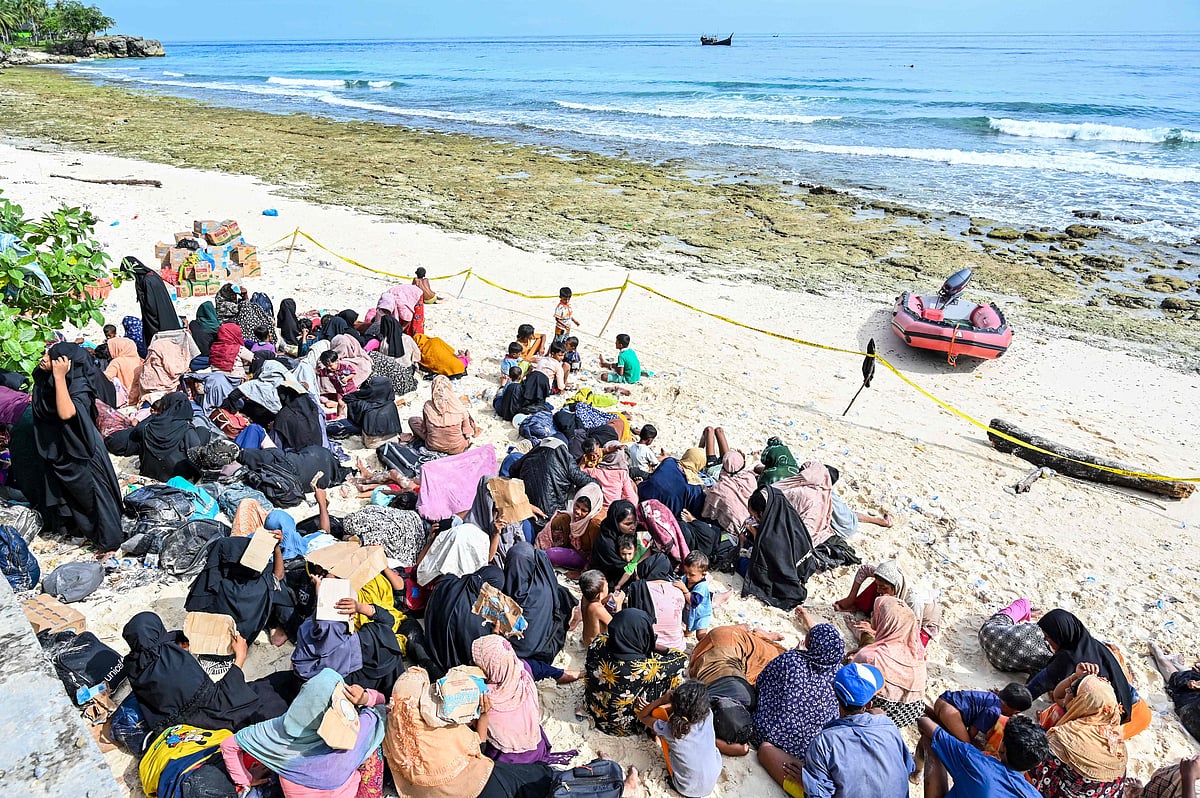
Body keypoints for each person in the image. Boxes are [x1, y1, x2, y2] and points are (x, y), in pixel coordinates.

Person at [382, 667, 555, 798]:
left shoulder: (390, 737)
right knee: (539, 775)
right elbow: (479, 748)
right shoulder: (442, 731)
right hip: (480, 786)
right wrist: (484, 715)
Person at [221, 668, 387, 798]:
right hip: (347, 792)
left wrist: (246, 779)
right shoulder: (351, 738)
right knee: (373, 747)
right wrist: (366, 698)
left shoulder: (276, 729)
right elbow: (382, 708)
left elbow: (228, 745)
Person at [758, 663, 913, 798]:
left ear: (833, 689)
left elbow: (820, 795)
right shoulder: (887, 725)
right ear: (869, 705)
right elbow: (908, 767)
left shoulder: (825, 741)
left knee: (766, 750)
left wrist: (806, 781)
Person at [123, 612, 288, 738]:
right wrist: (240, 657)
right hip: (212, 718)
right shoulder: (175, 662)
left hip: (174, 727)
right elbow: (218, 699)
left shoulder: (134, 666)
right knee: (273, 691)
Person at [26, 343, 124, 552]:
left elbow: (67, 413)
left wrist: (60, 377)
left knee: (93, 496)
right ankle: (78, 529)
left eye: (50, 356)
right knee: (71, 495)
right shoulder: (48, 379)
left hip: (81, 448)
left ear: (65, 364)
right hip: (60, 448)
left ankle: (109, 542)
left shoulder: (78, 384)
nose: (43, 358)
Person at [752, 612, 844, 760]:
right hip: (805, 752)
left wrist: (796, 653)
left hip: (766, 735)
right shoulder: (840, 677)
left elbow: (761, 682)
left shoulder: (791, 660)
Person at [585, 608, 688, 737]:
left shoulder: (598, 643)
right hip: (622, 727)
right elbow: (682, 659)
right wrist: (652, 644)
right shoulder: (639, 668)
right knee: (674, 676)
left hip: (595, 711)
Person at [1027, 609, 1137, 726]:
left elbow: (1036, 687)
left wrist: (1015, 701)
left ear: (1061, 636)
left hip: (1110, 718)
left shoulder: (1067, 660)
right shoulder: (1092, 644)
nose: (1046, 640)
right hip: (1130, 703)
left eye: (1048, 637)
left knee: (1058, 710)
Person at [1028, 675, 1129, 797]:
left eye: (1070, 690)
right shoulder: (1116, 741)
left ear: (1080, 701)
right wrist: (1074, 677)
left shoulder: (1064, 738)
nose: (1066, 691)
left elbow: (1038, 776)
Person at [292, 595, 404, 695]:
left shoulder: (307, 628)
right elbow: (389, 620)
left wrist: (321, 596)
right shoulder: (354, 675)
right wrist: (359, 607)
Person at [919, 713, 1048, 798]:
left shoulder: (976, 762)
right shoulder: (1035, 795)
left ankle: (916, 772)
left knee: (931, 741)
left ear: (1002, 747)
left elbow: (925, 723)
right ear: (1036, 764)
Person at [185, 535, 283, 645]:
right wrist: (277, 548)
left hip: (209, 644)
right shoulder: (261, 585)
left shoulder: (210, 584)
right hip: (239, 646)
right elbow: (278, 576)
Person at [637, 680, 728, 797]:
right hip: (712, 778)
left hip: (685, 788)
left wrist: (661, 700)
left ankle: (656, 736)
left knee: (658, 714)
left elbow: (642, 716)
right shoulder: (708, 714)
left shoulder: (671, 730)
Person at [851, 595, 928, 727]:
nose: (873, 616)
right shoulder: (918, 654)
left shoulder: (871, 656)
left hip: (879, 714)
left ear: (886, 621)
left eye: (876, 613)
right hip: (908, 715)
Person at [472, 635, 552, 763]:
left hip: (508, 761)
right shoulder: (523, 669)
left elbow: (479, 743)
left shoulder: (486, 696)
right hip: (537, 749)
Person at [423, 566, 510, 676]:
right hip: (452, 666)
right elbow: (477, 656)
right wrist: (494, 636)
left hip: (432, 649)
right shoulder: (475, 618)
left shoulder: (447, 583)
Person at [741, 487, 817, 611]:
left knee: (742, 563)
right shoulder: (790, 517)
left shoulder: (770, 537)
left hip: (784, 577)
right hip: (803, 566)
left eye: (754, 516)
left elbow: (766, 556)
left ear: (761, 513)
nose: (753, 519)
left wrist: (756, 535)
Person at [834, 559, 941, 647]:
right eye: (879, 586)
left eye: (884, 588)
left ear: (895, 587)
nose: (879, 591)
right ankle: (855, 605)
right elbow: (864, 569)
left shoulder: (912, 602)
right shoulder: (886, 576)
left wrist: (875, 632)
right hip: (898, 599)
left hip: (922, 624)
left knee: (903, 647)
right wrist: (851, 598)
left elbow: (910, 634)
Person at [502, 542, 574, 669]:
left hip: (528, 652)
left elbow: (524, 641)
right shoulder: (545, 583)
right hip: (547, 647)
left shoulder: (526, 595)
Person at [106, 392, 207, 482]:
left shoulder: (151, 423)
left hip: (149, 473)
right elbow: (196, 455)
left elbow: (137, 432)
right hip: (177, 477)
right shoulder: (186, 429)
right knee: (203, 432)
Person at [509, 437, 597, 517]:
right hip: (552, 516)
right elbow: (588, 482)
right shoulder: (564, 458)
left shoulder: (532, 455)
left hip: (526, 508)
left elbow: (512, 470)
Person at [536, 482, 606, 569]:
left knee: (551, 554)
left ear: (591, 511)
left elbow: (597, 554)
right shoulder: (571, 518)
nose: (578, 511)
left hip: (588, 560)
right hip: (576, 551)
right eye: (577, 505)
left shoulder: (595, 524)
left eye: (584, 510)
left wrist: (583, 572)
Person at [978, 598, 1054, 675]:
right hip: (1003, 664)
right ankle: (1026, 614)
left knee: (1024, 602)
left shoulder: (1036, 629)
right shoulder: (1053, 660)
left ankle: (1026, 613)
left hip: (988, 634)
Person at [409, 375, 479, 455]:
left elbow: (424, 428)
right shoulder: (459, 407)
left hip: (432, 446)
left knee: (413, 420)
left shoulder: (428, 406)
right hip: (458, 448)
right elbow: (467, 432)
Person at [1148, 641, 1200, 742]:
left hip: (1190, 708)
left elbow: (1192, 685)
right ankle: (1175, 663)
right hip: (1190, 714)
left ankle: (1160, 656)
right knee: (1185, 678)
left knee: (1178, 679)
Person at [825, 465, 892, 538]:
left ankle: (881, 521)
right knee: (852, 514)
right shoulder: (829, 491)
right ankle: (881, 521)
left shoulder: (821, 494)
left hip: (840, 531)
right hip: (850, 521)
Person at [702, 450, 758, 534]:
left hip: (735, 530)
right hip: (754, 523)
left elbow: (707, 513)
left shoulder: (719, 488)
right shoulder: (750, 478)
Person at [128, 256, 182, 342]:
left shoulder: (146, 280)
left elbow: (150, 305)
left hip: (157, 320)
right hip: (165, 310)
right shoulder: (152, 274)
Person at [639, 456, 705, 520]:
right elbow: (696, 513)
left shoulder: (669, 462)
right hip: (664, 518)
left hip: (641, 497)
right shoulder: (695, 488)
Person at [345, 375, 402, 449]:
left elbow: (349, 399)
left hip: (373, 444)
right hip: (394, 440)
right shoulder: (391, 404)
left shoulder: (363, 405)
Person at [580, 570, 624, 649]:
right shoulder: (597, 609)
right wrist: (619, 603)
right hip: (596, 647)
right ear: (600, 595)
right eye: (606, 586)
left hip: (587, 640)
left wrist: (607, 598)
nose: (608, 586)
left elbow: (598, 602)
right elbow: (618, 626)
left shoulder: (585, 598)